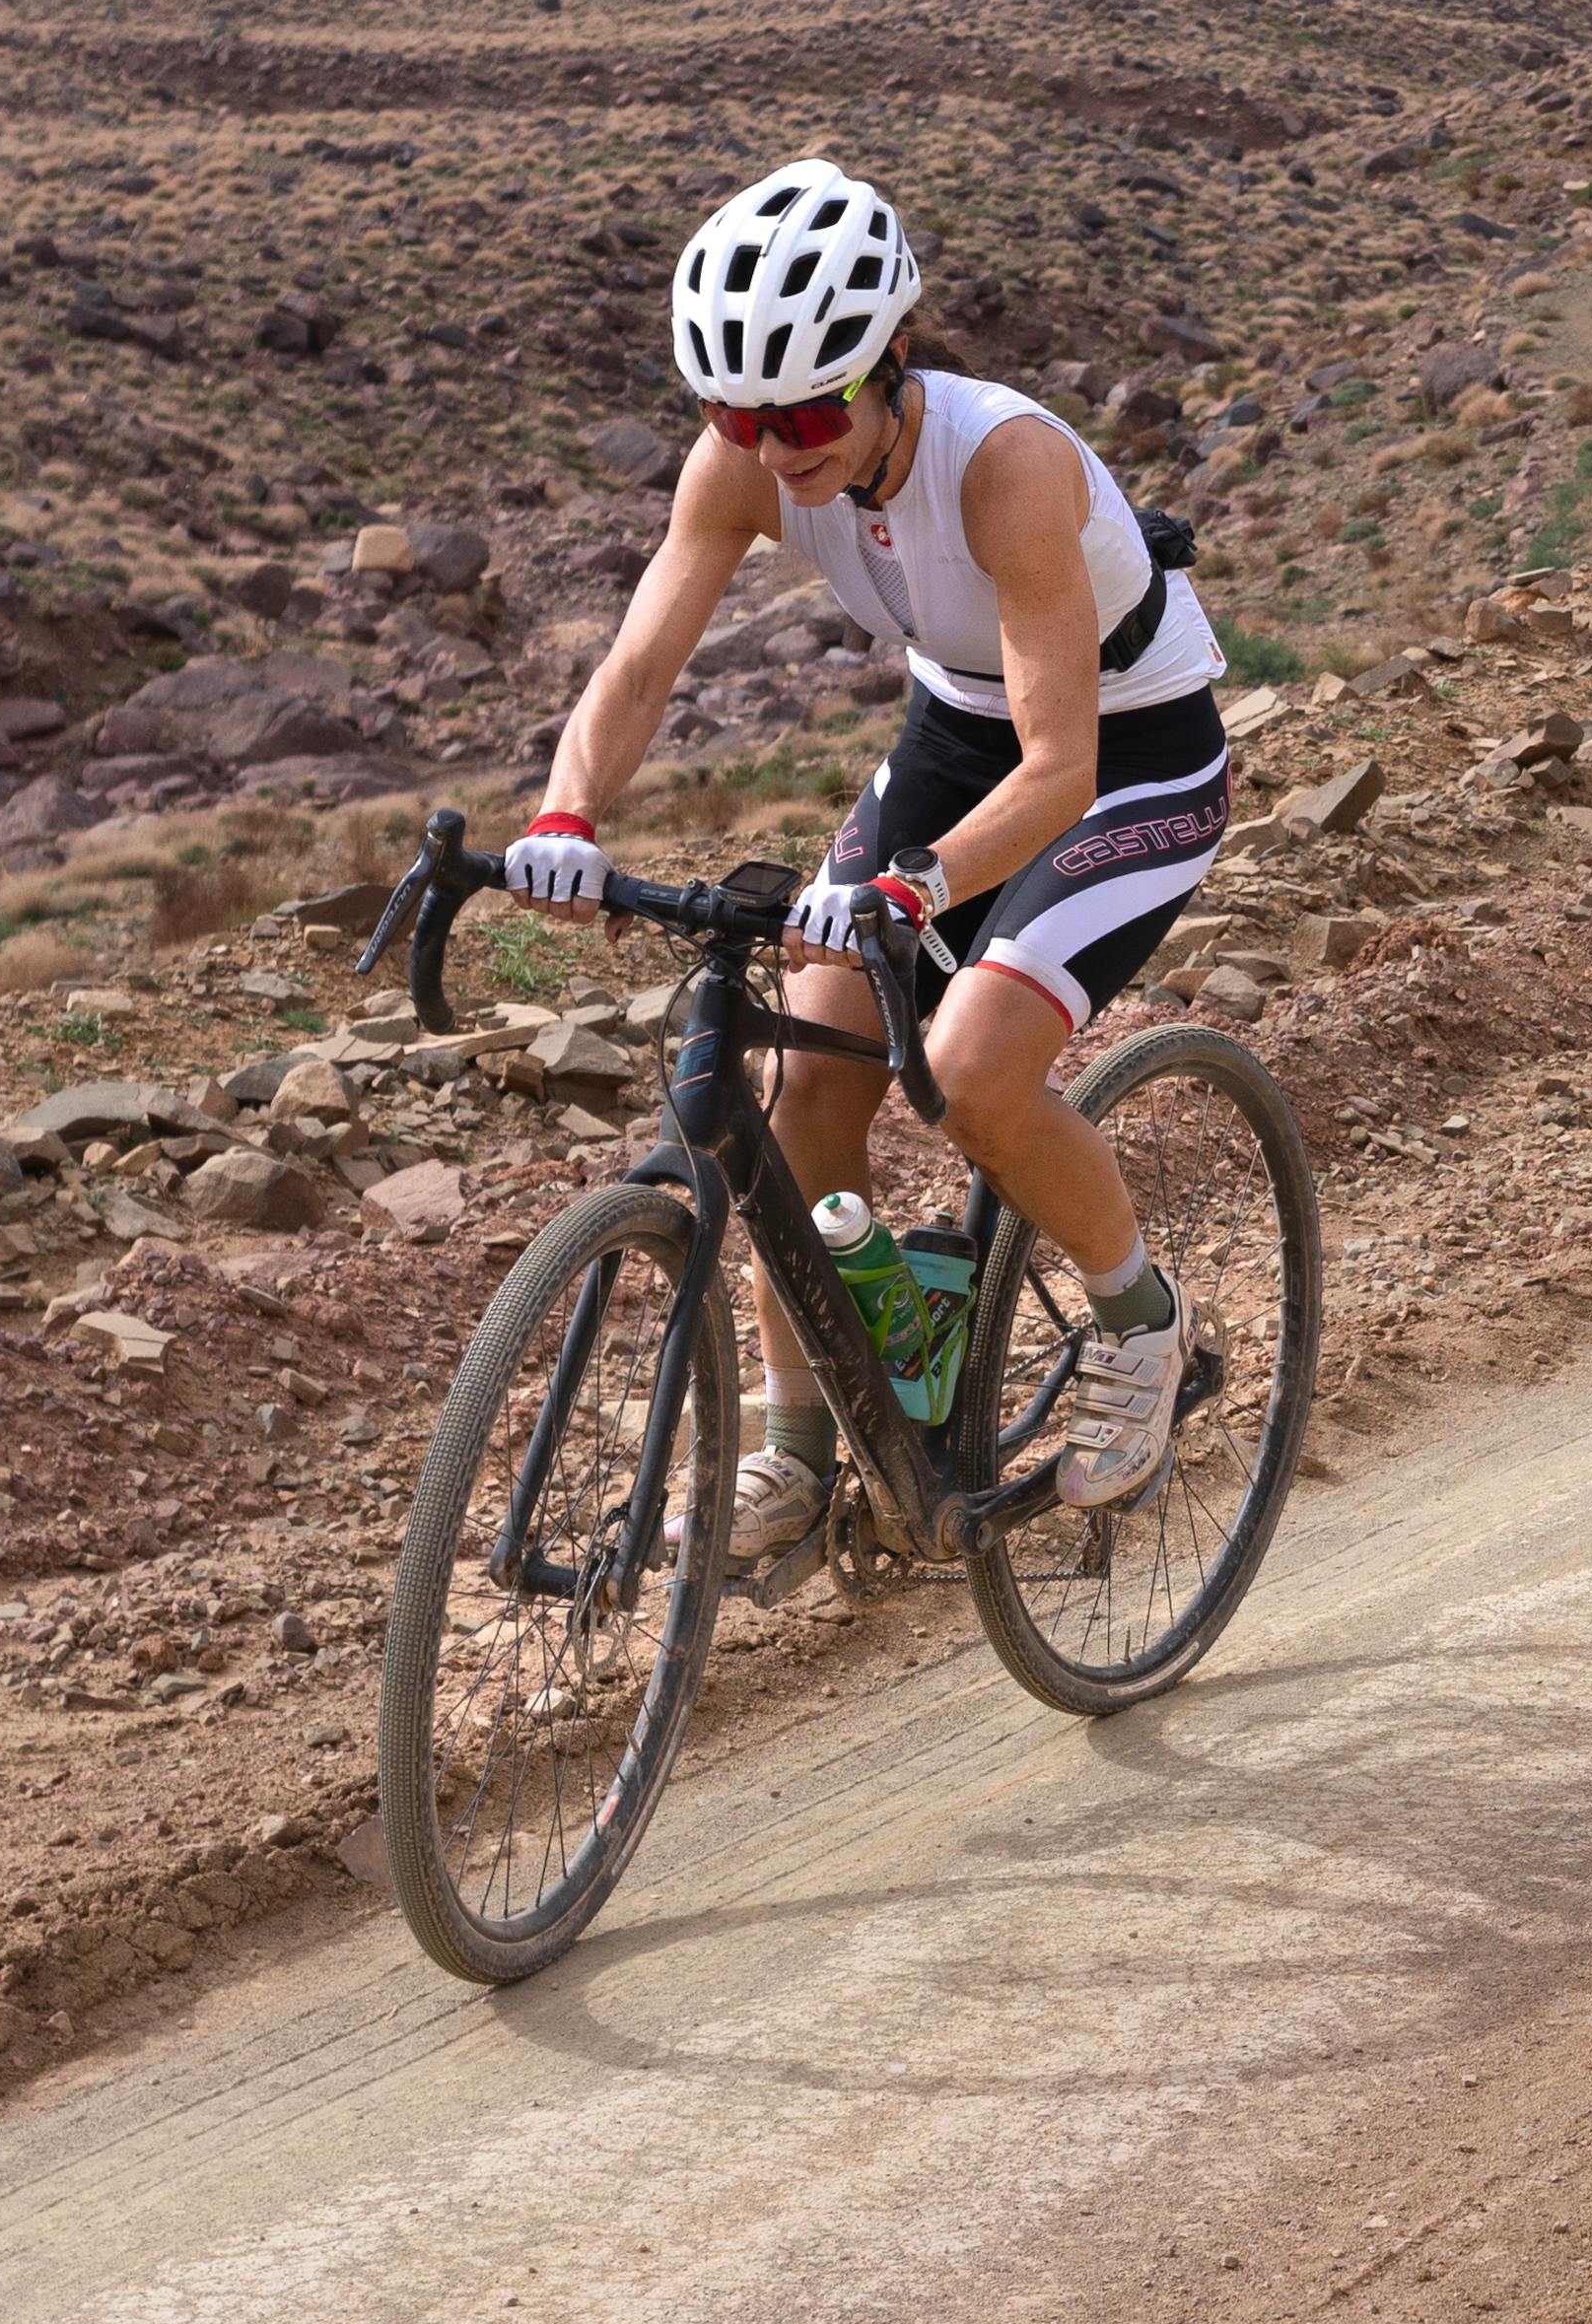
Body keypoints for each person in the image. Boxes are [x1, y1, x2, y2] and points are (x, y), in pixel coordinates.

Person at [504, 156, 1225, 1503]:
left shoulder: (1001, 464)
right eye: (738, 415)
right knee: (808, 1084)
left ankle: (1144, 1322)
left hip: (1129, 750)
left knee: (968, 1069)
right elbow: (640, 667)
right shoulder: (743, 468)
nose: (779, 450)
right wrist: (567, 809)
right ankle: (810, 1440)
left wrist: (918, 887)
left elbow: (1061, 766)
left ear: (894, 356)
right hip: (957, 734)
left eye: (811, 410)